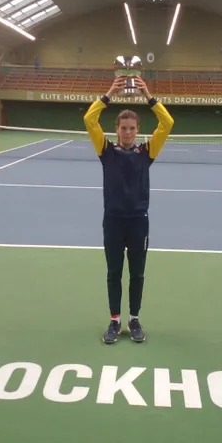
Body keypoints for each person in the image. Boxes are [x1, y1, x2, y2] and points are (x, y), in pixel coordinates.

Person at [83, 75, 174, 344]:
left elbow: (167, 123)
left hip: (138, 222)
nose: (127, 132)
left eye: (132, 128)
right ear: (117, 129)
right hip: (113, 221)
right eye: (123, 128)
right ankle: (114, 321)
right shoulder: (105, 150)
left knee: (137, 274)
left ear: (137, 130)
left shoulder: (147, 152)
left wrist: (149, 97)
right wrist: (109, 94)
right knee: (113, 273)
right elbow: (89, 119)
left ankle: (134, 320)